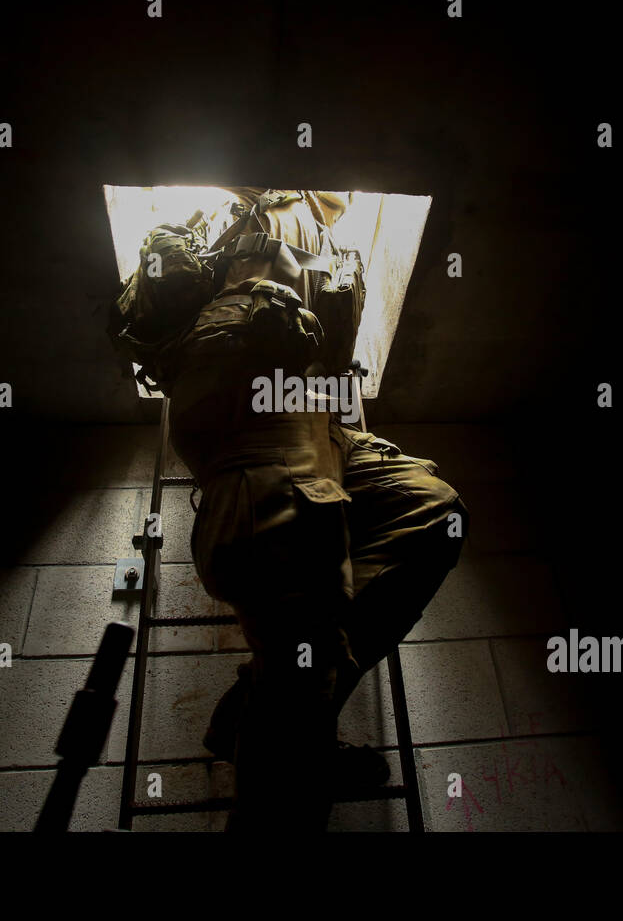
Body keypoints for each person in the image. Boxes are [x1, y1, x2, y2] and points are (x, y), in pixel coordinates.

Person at [138, 187, 468, 830]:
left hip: (317, 415)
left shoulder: (326, 226)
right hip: (251, 387)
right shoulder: (244, 207)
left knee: (432, 510)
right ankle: (287, 711)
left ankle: (268, 698)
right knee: (301, 661)